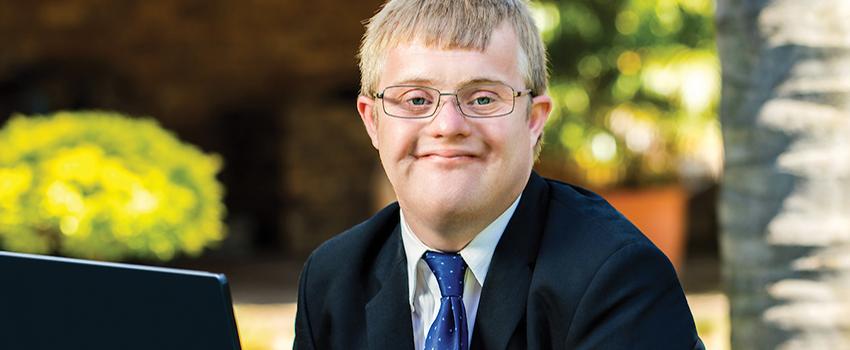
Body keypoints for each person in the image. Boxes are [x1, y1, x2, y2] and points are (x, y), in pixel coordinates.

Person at [294, 0, 704, 349]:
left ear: (534, 120)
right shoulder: (332, 279)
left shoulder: (618, 280)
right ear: (372, 122)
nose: (448, 125)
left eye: (484, 97)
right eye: (416, 99)